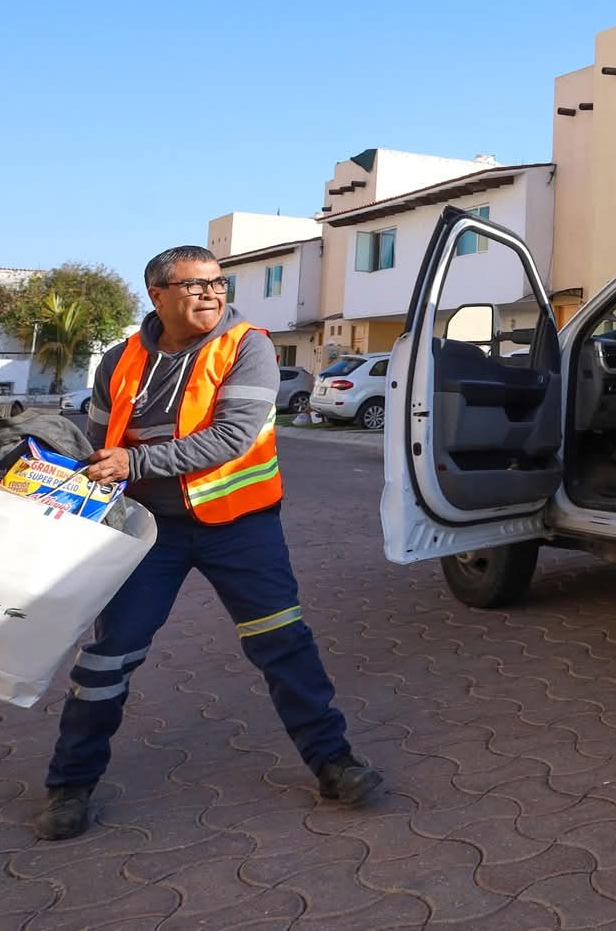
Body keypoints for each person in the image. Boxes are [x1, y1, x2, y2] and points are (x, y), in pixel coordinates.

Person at [35, 245, 381, 840]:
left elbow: (233, 437)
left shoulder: (248, 346)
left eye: (219, 283)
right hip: (148, 531)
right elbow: (99, 441)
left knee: (283, 643)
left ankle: (334, 763)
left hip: (240, 526)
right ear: (157, 295)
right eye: (194, 285)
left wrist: (134, 461)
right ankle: (69, 784)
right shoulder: (119, 359)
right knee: (108, 657)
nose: (211, 294)